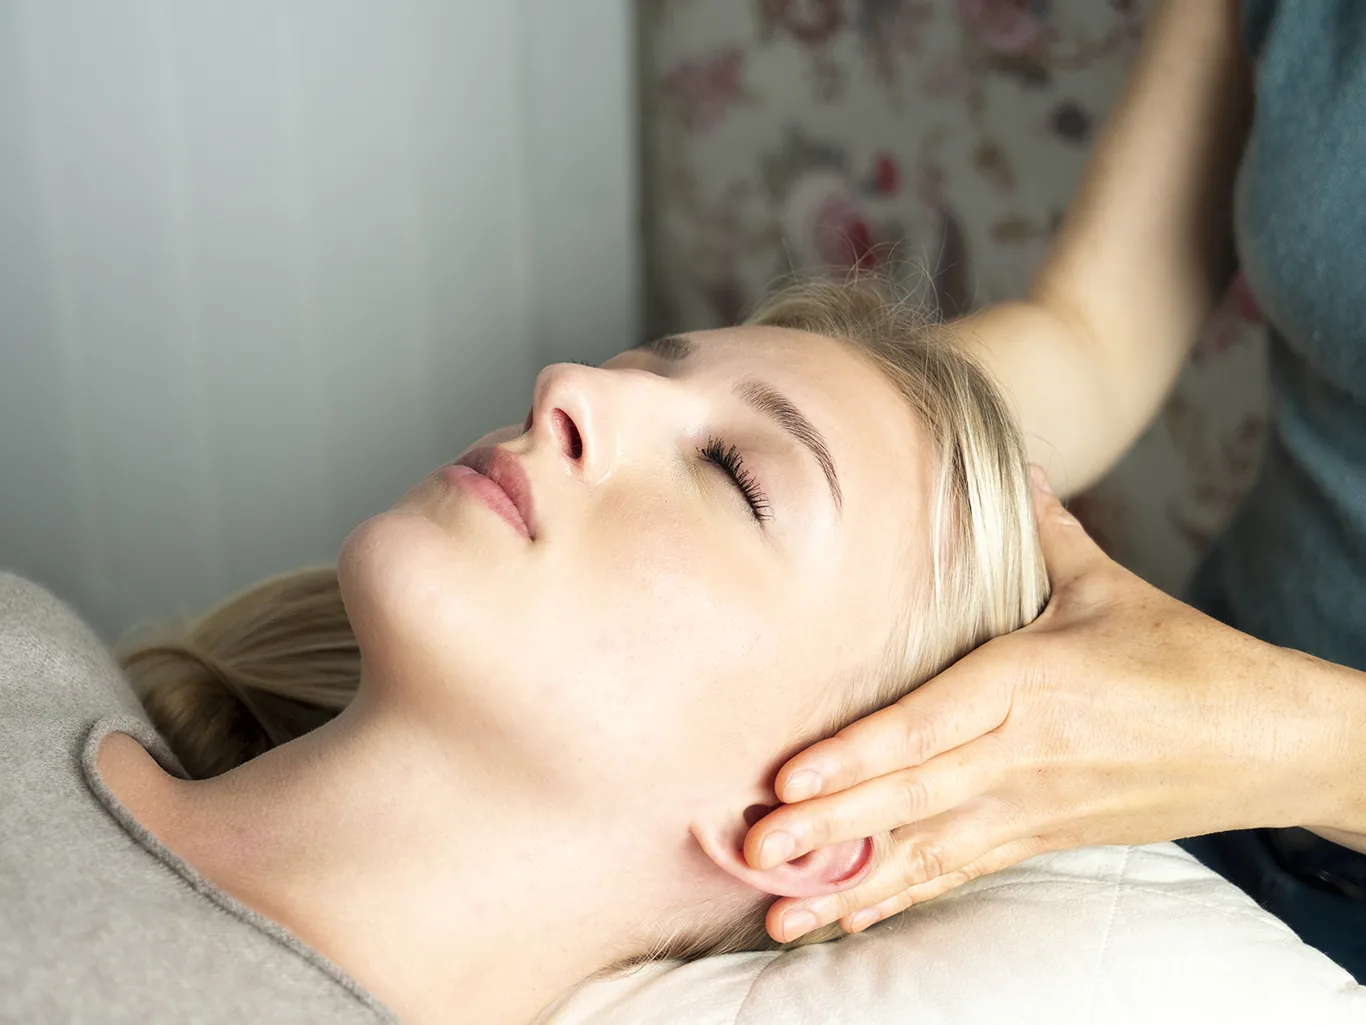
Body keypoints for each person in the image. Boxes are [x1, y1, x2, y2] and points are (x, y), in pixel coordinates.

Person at [0, 280, 1049, 1025]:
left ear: (804, 828)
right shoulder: (22, 641)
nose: (570, 385)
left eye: (733, 470)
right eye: (641, 365)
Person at [744, 0, 1366, 981]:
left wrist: (1289, 743)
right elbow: (1090, 338)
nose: (567, 393)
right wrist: (815, 416)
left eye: (733, 478)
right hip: (1186, 776)